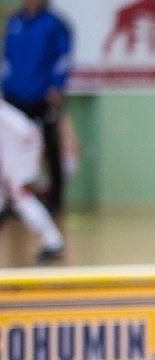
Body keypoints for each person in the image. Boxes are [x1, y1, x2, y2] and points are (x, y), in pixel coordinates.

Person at [2, 0, 70, 215]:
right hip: (16, 96)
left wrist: (57, 86)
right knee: (10, 149)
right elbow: (7, 58)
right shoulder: (15, 22)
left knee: (51, 147)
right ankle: (14, 200)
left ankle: (55, 202)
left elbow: (64, 56)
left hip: (43, 95)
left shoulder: (54, 24)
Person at [0, 97, 60, 261]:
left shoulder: (6, 114)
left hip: (21, 167)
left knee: (24, 200)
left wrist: (28, 170)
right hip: (14, 167)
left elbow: (32, 136)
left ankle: (53, 242)